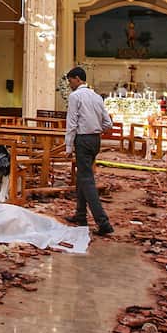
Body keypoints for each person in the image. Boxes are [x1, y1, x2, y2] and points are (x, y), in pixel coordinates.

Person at [63, 66, 113, 236]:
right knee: (82, 177)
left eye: (70, 81)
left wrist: (68, 146)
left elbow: (71, 122)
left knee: (87, 179)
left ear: (77, 79)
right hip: (95, 139)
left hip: (82, 139)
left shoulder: (75, 96)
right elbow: (108, 123)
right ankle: (80, 214)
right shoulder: (96, 96)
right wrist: (96, 129)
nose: (69, 84)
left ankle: (103, 222)